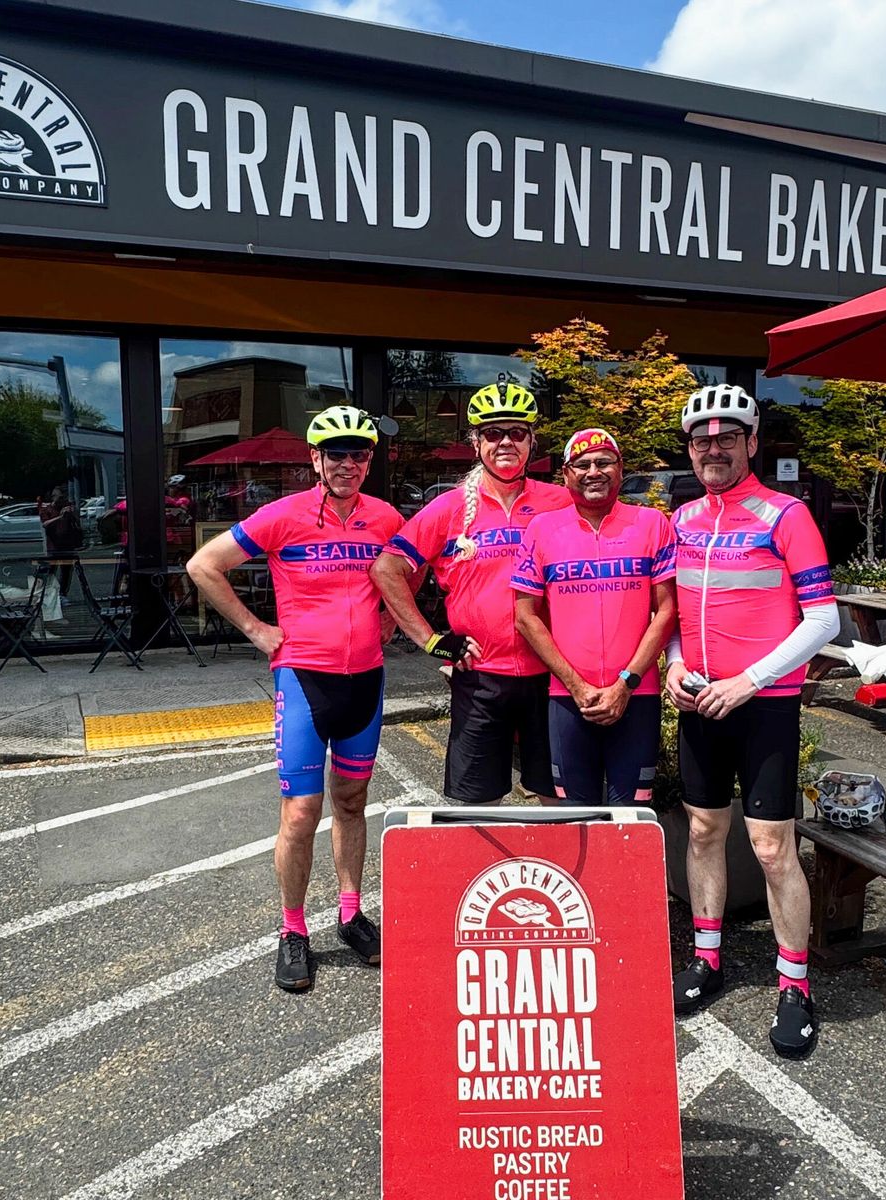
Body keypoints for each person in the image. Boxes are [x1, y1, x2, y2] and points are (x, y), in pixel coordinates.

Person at [187, 406, 403, 992]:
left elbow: (409, 569)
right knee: (302, 812)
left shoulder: (385, 517)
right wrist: (256, 630)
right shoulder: (283, 515)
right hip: (304, 680)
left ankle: (351, 914)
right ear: (315, 459)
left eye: (358, 453)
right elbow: (203, 566)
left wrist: (391, 616)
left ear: (368, 460)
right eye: (336, 453)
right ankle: (293, 929)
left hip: (366, 679)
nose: (347, 463)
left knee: (353, 801)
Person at [665, 384, 840, 1061]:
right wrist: (674, 665)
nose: (714, 448)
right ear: (690, 449)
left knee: (771, 848)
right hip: (701, 699)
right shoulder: (682, 519)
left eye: (728, 438)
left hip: (762, 703)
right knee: (703, 831)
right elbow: (674, 612)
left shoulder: (786, 515)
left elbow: (823, 620)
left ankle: (794, 986)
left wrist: (751, 681)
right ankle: (707, 957)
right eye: (702, 440)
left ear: (752, 442)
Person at [372, 377, 571, 806]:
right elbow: (387, 569)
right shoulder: (449, 508)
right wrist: (431, 641)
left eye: (517, 432)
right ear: (476, 443)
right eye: (493, 433)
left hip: (552, 676)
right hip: (480, 678)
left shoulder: (561, 502)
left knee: (558, 803)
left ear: (532, 442)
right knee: (478, 810)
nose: (506, 442)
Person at [511, 428, 676, 805]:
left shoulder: (652, 523)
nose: (593, 472)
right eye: (582, 465)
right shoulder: (542, 529)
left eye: (604, 462)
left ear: (621, 469)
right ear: (566, 475)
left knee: (631, 819)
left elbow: (667, 611)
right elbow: (525, 617)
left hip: (637, 695)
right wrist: (576, 686)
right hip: (568, 698)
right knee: (573, 819)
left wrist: (625, 684)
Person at [38, 487, 82, 597]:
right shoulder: (47, 510)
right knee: (51, 571)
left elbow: (77, 524)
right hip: (54, 547)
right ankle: (48, 593)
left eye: (63, 498)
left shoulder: (67, 509)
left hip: (68, 546)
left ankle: (62, 594)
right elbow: (45, 524)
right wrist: (60, 517)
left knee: (66, 572)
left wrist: (73, 513)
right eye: (60, 498)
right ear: (53, 497)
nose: (62, 500)